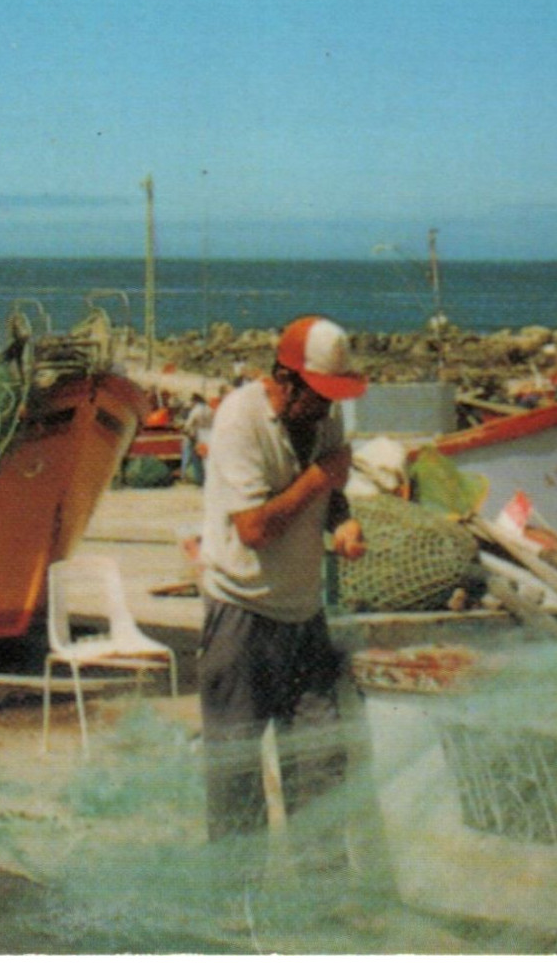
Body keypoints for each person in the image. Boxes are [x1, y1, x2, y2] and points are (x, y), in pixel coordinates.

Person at [196, 316, 368, 889]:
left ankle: (324, 906)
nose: (327, 411)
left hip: (303, 616)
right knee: (237, 776)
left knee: (321, 763)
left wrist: (340, 522)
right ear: (284, 380)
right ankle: (234, 912)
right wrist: (321, 481)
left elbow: (332, 488)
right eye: (319, 397)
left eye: (333, 398)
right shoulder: (238, 420)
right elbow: (252, 529)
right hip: (240, 614)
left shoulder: (325, 417)